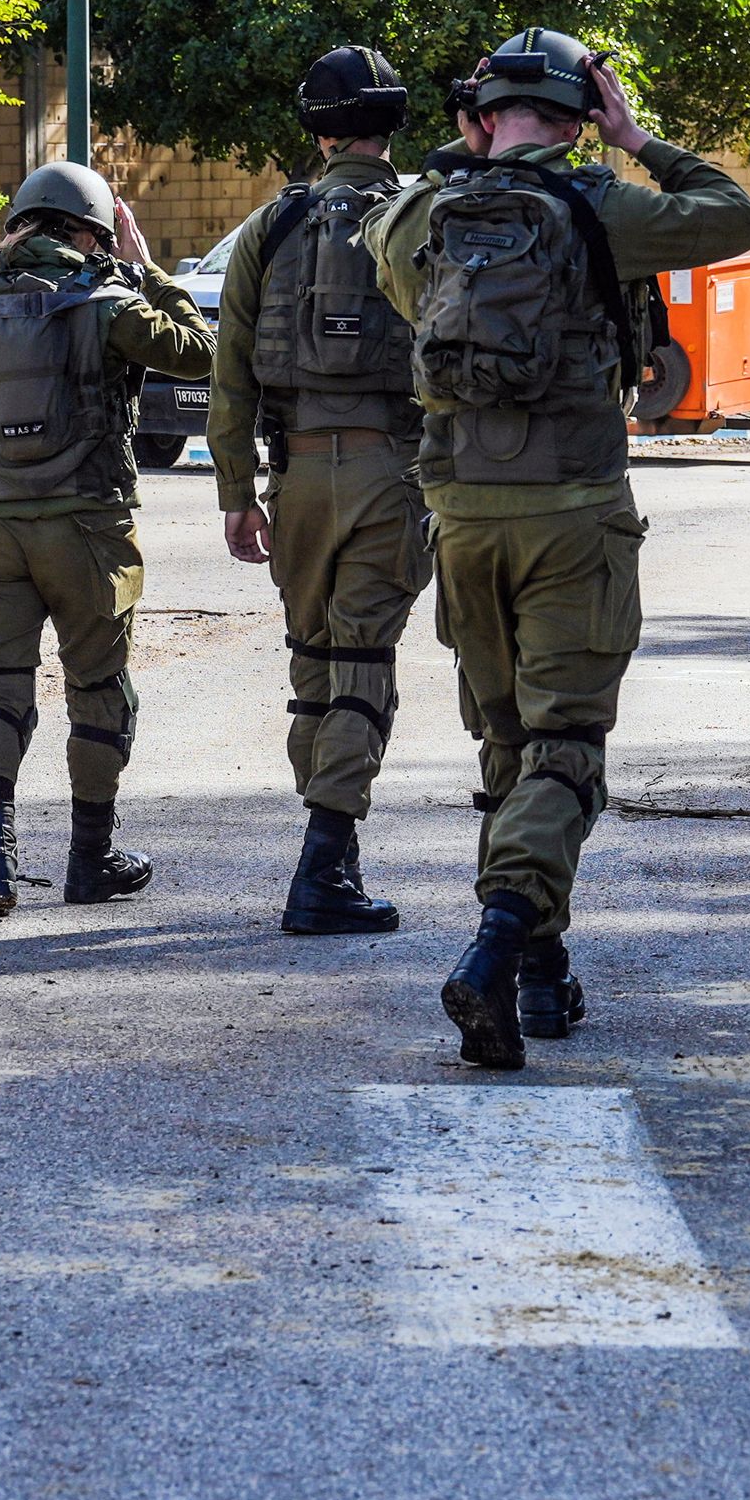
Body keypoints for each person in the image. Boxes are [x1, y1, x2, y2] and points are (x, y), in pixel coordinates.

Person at [359, 29, 750, 1068]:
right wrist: (637, 137)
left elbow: (391, 266)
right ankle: (499, 945)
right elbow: (735, 215)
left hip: (460, 513)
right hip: (572, 510)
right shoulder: (599, 205)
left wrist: (462, 157)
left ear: (482, 112)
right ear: (578, 115)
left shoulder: (422, 215)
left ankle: (541, 976)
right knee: (566, 747)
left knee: (506, 745)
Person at [0, 163, 219, 917]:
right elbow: (200, 352)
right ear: (90, 230)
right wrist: (148, 272)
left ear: (19, 221)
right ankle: (91, 860)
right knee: (97, 687)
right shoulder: (109, 299)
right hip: (88, 529)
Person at [209, 45, 430, 935]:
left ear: (321, 129)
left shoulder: (272, 226)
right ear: (386, 127)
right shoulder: (419, 217)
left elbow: (231, 375)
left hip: (293, 473)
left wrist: (236, 490)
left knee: (312, 667)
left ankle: (329, 850)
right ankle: (322, 861)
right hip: (390, 470)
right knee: (364, 664)